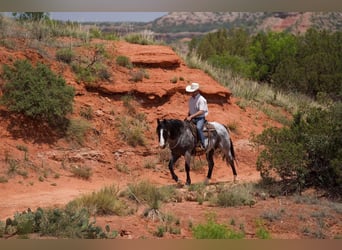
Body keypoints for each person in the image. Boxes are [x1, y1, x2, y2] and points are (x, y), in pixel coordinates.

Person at [185, 82, 209, 149]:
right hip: (192, 117)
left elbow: (201, 111)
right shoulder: (191, 99)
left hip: (200, 118)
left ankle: (203, 144)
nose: (191, 93)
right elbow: (191, 109)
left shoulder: (201, 99)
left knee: (198, 128)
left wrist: (191, 116)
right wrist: (188, 115)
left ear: (197, 91)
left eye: (192, 91)